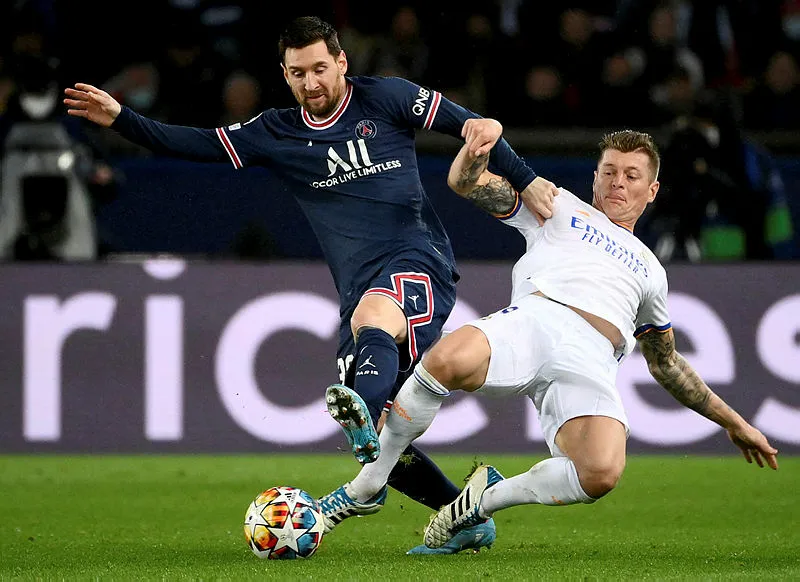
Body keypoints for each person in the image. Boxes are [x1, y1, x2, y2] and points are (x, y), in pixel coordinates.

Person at [63, 15, 558, 554]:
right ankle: (464, 514)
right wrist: (122, 119)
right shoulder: (276, 132)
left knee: (374, 321)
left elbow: (476, 127)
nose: (311, 82)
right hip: (357, 285)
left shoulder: (387, 98)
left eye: (320, 68)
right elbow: (196, 143)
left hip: (419, 260)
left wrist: (527, 180)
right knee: (381, 437)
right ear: (285, 74)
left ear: (341, 62)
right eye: (298, 73)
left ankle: (363, 423)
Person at [318, 129, 779, 552]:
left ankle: (482, 501)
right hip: (535, 321)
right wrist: (475, 151)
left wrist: (734, 422)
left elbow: (666, 363)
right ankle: (365, 487)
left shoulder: (652, 272)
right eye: (609, 171)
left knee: (601, 473)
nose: (618, 183)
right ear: (595, 178)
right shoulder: (559, 207)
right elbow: (465, 183)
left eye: (631, 175)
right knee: (446, 360)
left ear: (652, 190)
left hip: (592, 360)